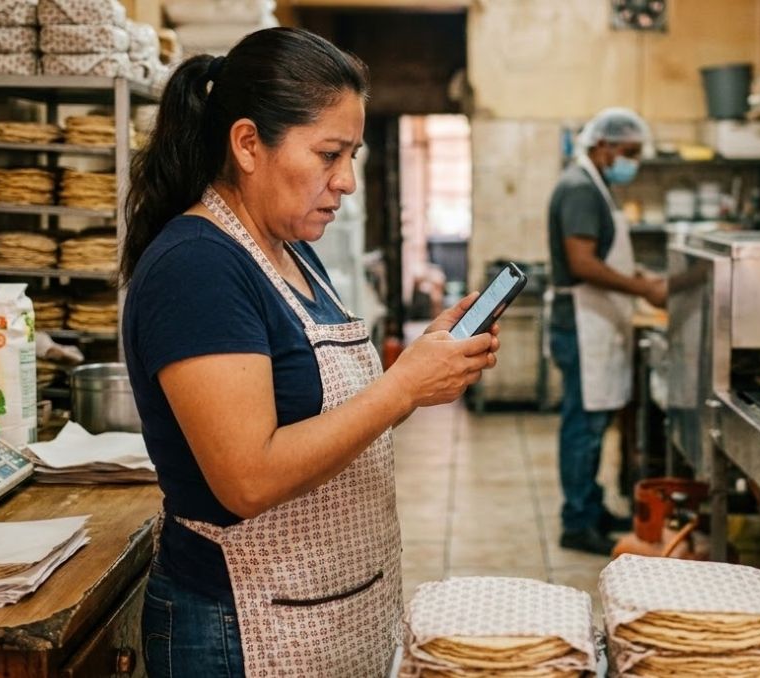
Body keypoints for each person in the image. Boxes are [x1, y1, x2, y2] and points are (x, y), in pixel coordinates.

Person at [120, 28, 498, 677]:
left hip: (324, 613)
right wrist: (401, 388)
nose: (346, 181)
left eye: (352, 154)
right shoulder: (198, 268)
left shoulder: (292, 253)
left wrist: (419, 372)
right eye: (329, 154)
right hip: (240, 626)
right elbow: (248, 478)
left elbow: (334, 418)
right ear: (247, 144)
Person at [546, 107, 667, 556]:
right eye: (629, 153)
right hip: (581, 322)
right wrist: (643, 289)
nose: (632, 162)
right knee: (583, 425)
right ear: (604, 146)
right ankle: (577, 523)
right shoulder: (580, 188)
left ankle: (591, 509)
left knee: (593, 423)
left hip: (592, 320)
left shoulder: (594, 185)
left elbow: (605, 256)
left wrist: (640, 275)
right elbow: (582, 263)